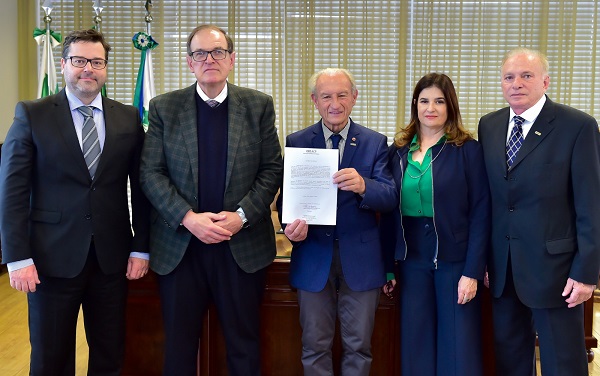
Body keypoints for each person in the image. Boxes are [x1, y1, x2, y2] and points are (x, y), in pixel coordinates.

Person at [0, 29, 150, 375]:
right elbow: (12, 192)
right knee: (51, 359)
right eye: (80, 60)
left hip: (111, 260)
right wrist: (17, 258)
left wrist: (141, 248)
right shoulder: (32, 114)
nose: (89, 69)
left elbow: (141, 189)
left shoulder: (128, 117)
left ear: (106, 68)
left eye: (97, 62)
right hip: (49, 260)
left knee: (110, 354)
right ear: (65, 64)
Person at [139, 24, 283, 376]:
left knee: (243, 346)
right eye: (200, 53)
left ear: (232, 60)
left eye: (218, 52)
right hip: (180, 248)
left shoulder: (258, 106)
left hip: (241, 247)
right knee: (179, 347)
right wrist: (188, 218)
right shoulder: (163, 108)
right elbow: (150, 173)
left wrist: (241, 216)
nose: (210, 59)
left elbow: (271, 169)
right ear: (189, 63)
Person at [478, 47, 600, 375]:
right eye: (509, 77)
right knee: (510, 360)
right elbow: (491, 200)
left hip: (557, 272)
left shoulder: (578, 126)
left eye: (526, 75)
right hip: (503, 271)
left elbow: (591, 205)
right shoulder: (488, 126)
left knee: (563, 362)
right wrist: (486, 261)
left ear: (545, 81)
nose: (516, 83)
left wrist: (587, 273)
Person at [279, 68, 397, 376]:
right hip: (313, 256)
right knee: (314, 345)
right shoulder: (298, 140)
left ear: (354, 98)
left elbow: (389, 197)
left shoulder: (374, 142)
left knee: (359, 346)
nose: (335, 103)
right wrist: (291, 229)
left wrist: (363, 186)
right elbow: (286, 204)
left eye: (342, 95)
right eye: (326, 96)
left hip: (361, 260)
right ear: (314, 101)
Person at [381, 73, 491, 376]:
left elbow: (482, 212)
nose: (431, 108)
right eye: (424, 100)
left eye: (439, 101)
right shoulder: (398, 151)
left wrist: (472, 270)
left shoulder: (467, 150)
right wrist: (388, 266)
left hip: (455, 258)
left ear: (450, 106)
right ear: (415, 104)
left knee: (458, 343)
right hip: (411, 257)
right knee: (416, 340)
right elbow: (388, 212)